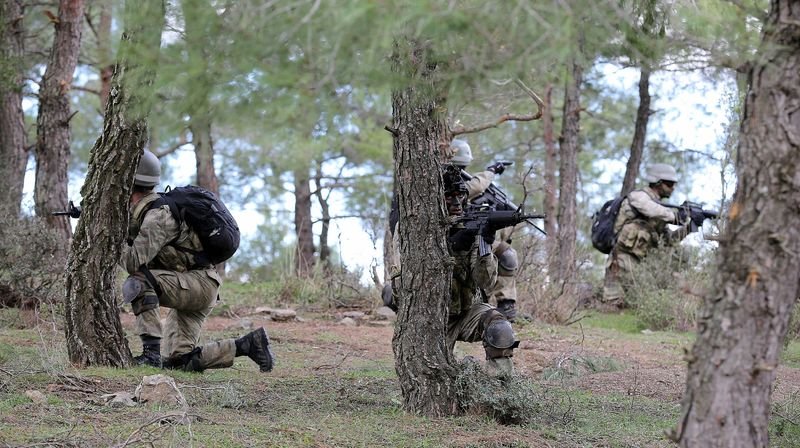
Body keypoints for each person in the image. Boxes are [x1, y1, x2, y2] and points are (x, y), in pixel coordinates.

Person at [121, 150, 275, 372]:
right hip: (199, 284)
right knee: (180, 361)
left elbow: (133, 261)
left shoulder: (159, 216)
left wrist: (105, 236)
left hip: (198, 284)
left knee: (140, 281)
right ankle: (248, 345)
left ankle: (150, 355)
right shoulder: (146, 213)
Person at [384, 165, 519, 377]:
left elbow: (485, 283)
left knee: (499, 327)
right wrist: (452, 247)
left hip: (465, 313)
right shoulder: (410, 228)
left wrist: (484, 245)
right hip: (426, 319)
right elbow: (409, 280)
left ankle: (501, 393)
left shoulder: (469, 224)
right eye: (449, 197)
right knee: (434, 378)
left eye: (460, 196)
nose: (456, 203)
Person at [601, 163, 691, 309]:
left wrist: (689, 228)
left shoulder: (659, 210)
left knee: (635, 307)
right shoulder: (639, 197)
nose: (672, 188)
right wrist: (676, 216)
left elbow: (668, 241)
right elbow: (651, 209)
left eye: (674, 184)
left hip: (640, 265)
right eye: (669, 184)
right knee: (612, 305)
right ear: (658, 183)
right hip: (622, 259)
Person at [450, 139, 520, 322]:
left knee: (506, 254)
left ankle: (506, 304)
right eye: (459, 166)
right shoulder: (439, 181)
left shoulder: (461, 179)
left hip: (469, 235)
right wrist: (490, 172)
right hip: (448, 240)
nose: (460, 170)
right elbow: (475, 186)